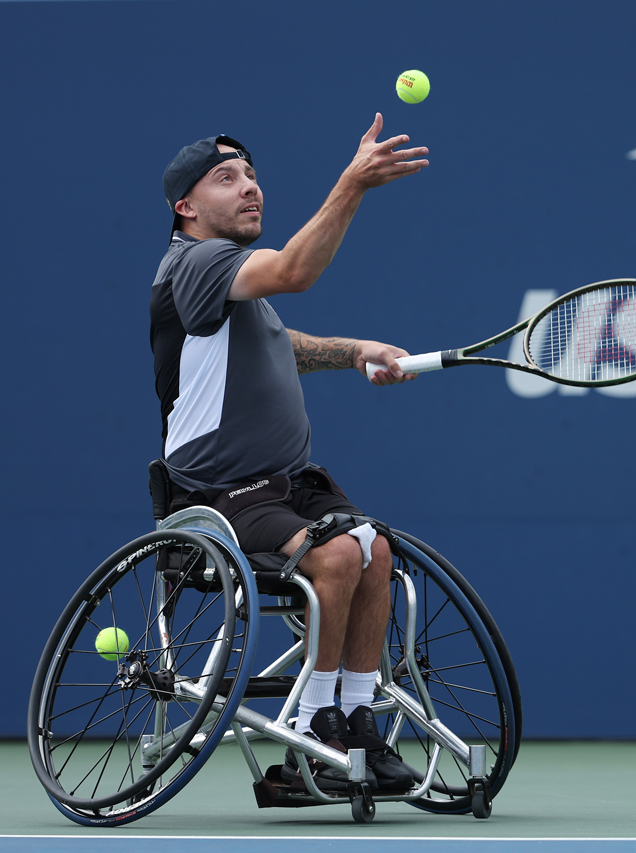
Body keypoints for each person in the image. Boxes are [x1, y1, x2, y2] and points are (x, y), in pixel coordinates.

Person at [150, 115, 426, 791]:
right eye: (226, 178)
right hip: (216, 495)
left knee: (375, 548)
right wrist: (353, 183)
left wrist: (355, 349)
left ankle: (356, 722)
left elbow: (280, 341)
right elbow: (296, 271)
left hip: (290, 482)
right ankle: (311, 732)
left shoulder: (232, 285)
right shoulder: (194, 263)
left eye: (251, 175)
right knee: (335, 553)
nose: (250, 188)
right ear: (186, 207)